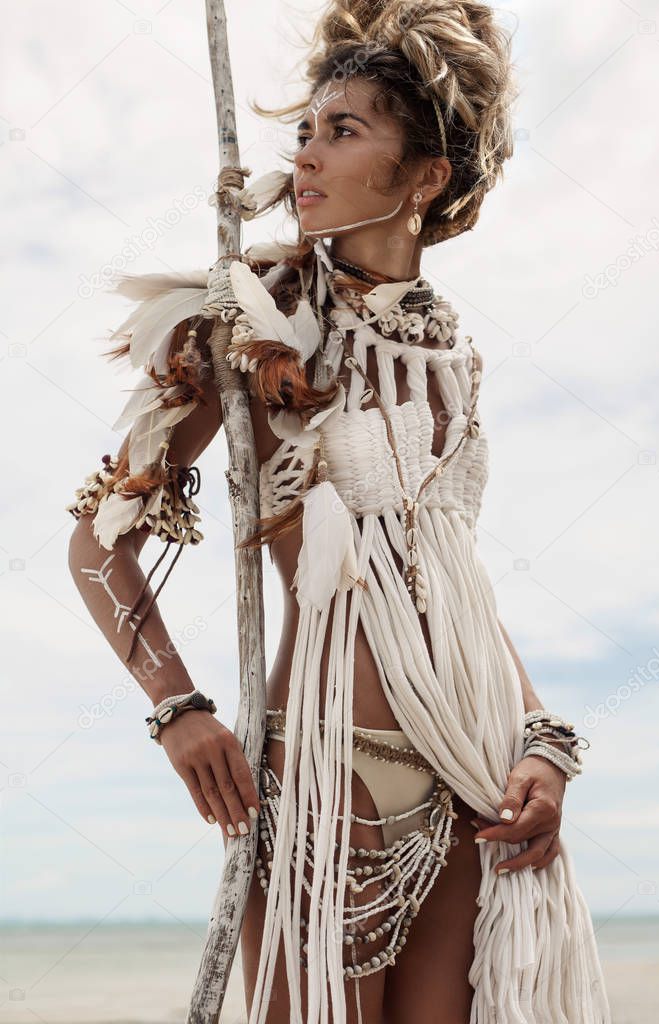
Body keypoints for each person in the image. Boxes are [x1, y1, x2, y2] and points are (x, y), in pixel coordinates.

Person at [67, 2, 612, 1022]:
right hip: (318, 776)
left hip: (467, 767)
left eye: (344, 131)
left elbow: (448, 579)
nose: (308, 155)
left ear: (424, 178)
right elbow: (96, 549)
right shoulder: (251, 317)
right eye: (305, 132)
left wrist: (540, 740)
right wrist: (178, 709)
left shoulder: (452, 362)